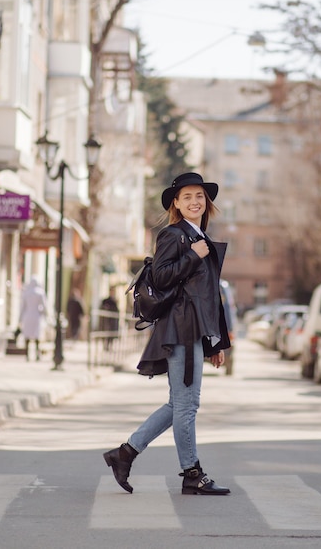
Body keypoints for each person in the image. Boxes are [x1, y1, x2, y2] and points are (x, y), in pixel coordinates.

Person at [103, 172, 231, 496]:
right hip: (180, 330)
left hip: (194, 332)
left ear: (207, 202)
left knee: (180, 405)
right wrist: (193, 255)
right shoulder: (174, 235)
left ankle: (125, 454)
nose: (194, 202)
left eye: (199, 196)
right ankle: (192, 474)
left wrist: (216, 341)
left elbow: (209, 295)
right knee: (186, 406)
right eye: (187, 197)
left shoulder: (201, 237)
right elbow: (160, 278)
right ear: (176, 203)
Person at [20, 276, 48, 361]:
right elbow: (44, 306)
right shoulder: (40, 293)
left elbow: (22, 307)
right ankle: (37, 355)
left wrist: (20, 318)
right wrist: (45, 314)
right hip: (36, 316)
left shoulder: (26, 293)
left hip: (27, 316)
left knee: (27, 336)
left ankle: (27, 355)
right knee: (36, 336)